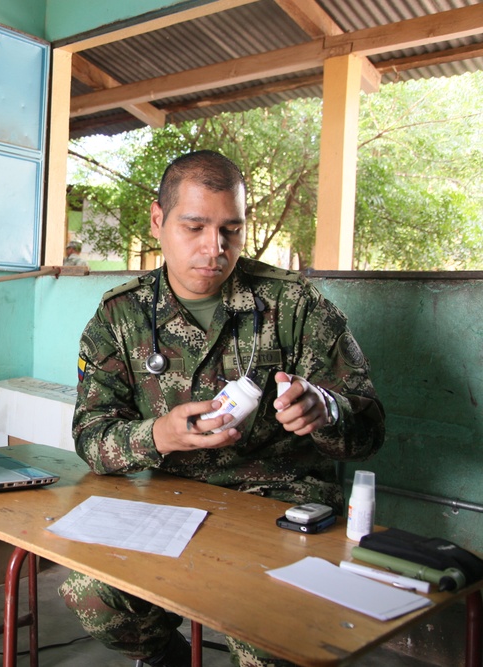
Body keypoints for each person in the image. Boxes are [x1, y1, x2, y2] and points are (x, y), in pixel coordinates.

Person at [60, 150, 385, 666]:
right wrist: (158, 436)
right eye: (195, 227)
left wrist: (327, 411)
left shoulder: (294, 306)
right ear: (158, 221)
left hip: (277, 507)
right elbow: (90, 435)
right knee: (95, 595)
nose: (215, 249)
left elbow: (369, 430)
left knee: (260, 636)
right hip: (174, 503)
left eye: (230, 231)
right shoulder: (121, 316)